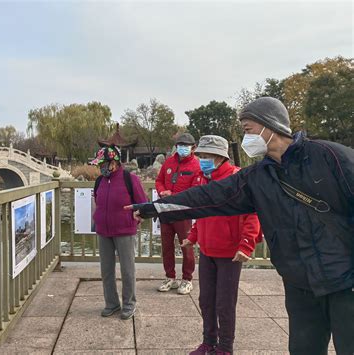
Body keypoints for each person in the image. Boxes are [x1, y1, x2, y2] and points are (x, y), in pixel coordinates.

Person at [127, 97, 354, 355]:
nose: (246, 138)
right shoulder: (257, 177)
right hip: (300, 285)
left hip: (345, 281)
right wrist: (152, 208)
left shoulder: (330, 156)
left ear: (271, 125)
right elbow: (207, 198)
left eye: (248, 129)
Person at [180, 135, 261, 354]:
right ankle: (209, 341)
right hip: (207, 251)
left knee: (225, 304)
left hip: (229, 253)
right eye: (201, 156)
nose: (202, 160)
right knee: (206, 300)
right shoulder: (204, 179)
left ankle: (225, 347)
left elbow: (252, 213)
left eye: (206, 156)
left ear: (219, 157)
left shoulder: (236, 179)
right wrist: (194, 235)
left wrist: (246, 244)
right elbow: (201, 212)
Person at [91, 145, 147, 320]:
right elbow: (97, 202)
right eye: (99, 164)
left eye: (103, 164)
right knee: (106, 270)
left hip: (124, 231)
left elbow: (143, 204)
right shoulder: (99, 180)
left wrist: (136, 219)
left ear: (114, 162)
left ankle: (129, 304)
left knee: (127, 270)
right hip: (103, 231)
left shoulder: (130, 179)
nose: (100, 167)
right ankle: (111, 303)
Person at [155, 132, 201, 294]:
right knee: (166, 246)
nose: (182, 148)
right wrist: (162, 192)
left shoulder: (197, 165)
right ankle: (170, 277)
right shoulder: (168, 162)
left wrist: (172, 196)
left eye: (185, 146)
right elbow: (159, 180)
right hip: (166, 211)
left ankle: (187, 279)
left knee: (186, 245)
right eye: (179, 145)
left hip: (183, 212)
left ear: (193, 148)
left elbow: (195, 190)